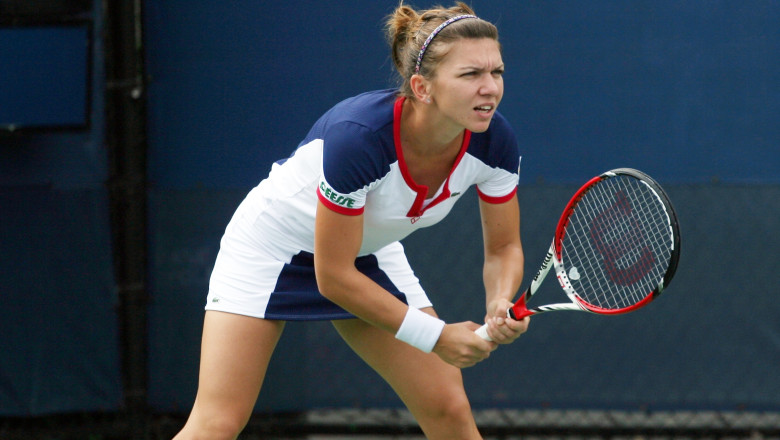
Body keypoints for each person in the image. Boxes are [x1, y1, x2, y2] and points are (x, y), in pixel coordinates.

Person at [174, 2, 529, 439]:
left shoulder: (494, 141)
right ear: (422, 87)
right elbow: (334, 278)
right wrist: (437, 335)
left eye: (497, 72)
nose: (490, 88)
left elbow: (503, 248)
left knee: (447, 406)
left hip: (364, 252)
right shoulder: (359, 138)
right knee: (218, 423)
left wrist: (499, 301)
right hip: (270, 249)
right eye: (470, 74)